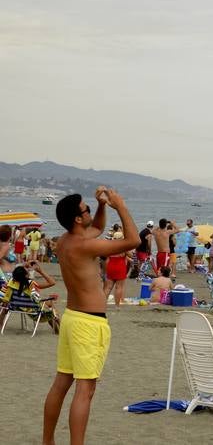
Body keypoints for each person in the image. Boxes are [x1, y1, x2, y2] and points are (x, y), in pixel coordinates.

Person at [42, 187, 139, 445]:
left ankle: (47, 441)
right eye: (85, 209)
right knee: (85, 390)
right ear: (77, 219)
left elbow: (95, 227)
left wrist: (101, 206)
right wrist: (120, 205)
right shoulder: (85, 245)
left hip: (72, 317)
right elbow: (133, 241)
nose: (88, 211)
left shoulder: (65, 241)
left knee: (61, 382)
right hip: (88, 322)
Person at [103, 232, 129, 308]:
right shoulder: (123, 247)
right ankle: (117, 305)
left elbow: (105, 257)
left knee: (108, 287)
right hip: (120, 267)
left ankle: (103, 304)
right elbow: (131, 255)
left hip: (111, 266)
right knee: (119, 287)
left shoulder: (110, 247)